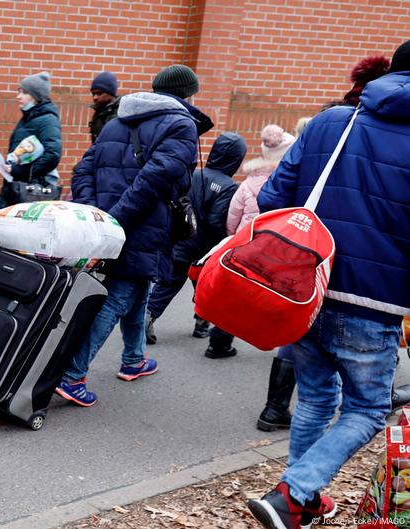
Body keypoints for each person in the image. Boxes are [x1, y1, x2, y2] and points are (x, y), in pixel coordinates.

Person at [247, 41, 410, 529]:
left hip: (306, 289)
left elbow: (273, 197)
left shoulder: (331, 122)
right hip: (375, 299)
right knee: (366, 408)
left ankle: (301, 503)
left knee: (316, 398)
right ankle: (293, 493)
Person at [58, 65, 212, 406]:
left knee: (138, 285)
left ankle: (134, 359)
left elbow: (84, 168)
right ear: (188, 94)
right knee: (119, 295)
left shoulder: (116, 121)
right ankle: (72, 376)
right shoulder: (181, 124)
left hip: (113, 222)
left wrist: (94, 214)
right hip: (141, 226)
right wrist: (114, 220)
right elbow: (156, 179)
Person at [144, 132, 245, 349]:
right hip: (203, 248)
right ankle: (202, 324)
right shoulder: (228, 186)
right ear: (237, 159)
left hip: (178, 239)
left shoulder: (194, 173)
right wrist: (221, 245)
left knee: (169, 282)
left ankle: (148, 316)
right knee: (206, 286)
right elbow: (216, 222)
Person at [0, 72, 62, 210]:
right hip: (15, 185)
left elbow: (52, 154)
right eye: (18, 92)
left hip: (31, 188)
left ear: (36, 96)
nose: (18, 96)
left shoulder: (47, 120)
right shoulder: (28, 118)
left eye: (24, 92)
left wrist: (21, 171)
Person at [226, 124, 295, 235]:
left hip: (245, 237)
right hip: (274, 241)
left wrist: (233, 236)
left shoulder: (248, 183)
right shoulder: (292, 185)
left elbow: (233, 216)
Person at [88, 71, 120, 142]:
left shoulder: (121, 113)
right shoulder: (98, 112)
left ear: (110, 93)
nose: (95, 97)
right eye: (93, 93)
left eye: (99, 93)